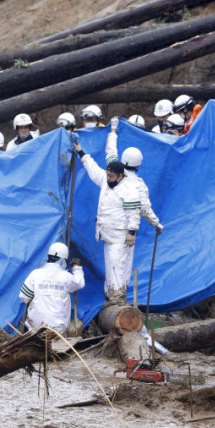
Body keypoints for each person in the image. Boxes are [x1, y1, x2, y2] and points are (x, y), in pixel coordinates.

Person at [72, 117, 163, 302]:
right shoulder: (112, 175)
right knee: (114, 267)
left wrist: (133, 232)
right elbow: (95, 166)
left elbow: (137, 209)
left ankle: (117, 299)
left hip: (121, 236)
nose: (108, 176)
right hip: (107, 233)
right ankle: (112, 298)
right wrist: (81, 151)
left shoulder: (131, 186)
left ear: (120, 174)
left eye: (111, 175)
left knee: (118, 267)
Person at [19, 242, 84, 335]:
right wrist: (76, 268)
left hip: (35, 327)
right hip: (57, 329)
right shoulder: (66, 277)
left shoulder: (36, 273)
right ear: (63, 260)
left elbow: (24, 297)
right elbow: (79, 283)